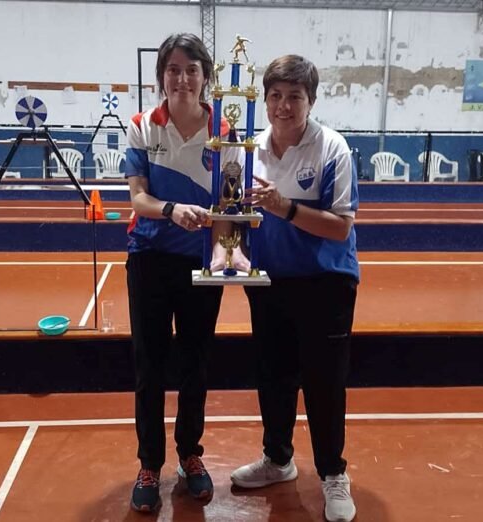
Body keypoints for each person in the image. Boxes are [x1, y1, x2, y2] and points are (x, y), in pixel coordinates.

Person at [231, 54, 359, 522]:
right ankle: (278, 459)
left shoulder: (332, 149)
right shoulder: (249, 150)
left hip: (325, 282)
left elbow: (340, 227)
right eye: (276, 96)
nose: (284, 106)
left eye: (295, 97)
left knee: (324, 383)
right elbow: (236, 216)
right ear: (265, 100)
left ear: (312, 101)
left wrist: (284, 207)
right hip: (269, 282)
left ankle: (333, 473)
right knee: (273, 377)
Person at [124, 32, 245, 513]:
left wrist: (224, 254)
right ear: (161, 77)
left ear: (205, 77)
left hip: (200, 264)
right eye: (173, 69)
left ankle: (190, 455)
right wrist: (172, 210)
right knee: (150, 366)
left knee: (195, 363)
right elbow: (137, 198)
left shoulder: (226, 132)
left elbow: (230, 205)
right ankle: (149, 464)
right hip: (150, 258)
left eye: (191, 69)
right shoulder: (142, 126)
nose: (182, 78)